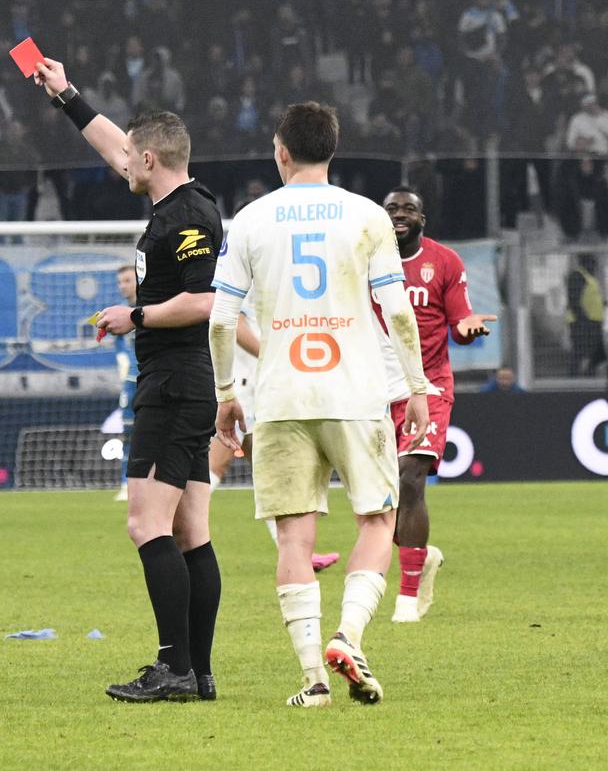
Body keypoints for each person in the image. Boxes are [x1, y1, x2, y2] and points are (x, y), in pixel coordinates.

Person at [209, 102, 430, 707]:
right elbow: (400, 311)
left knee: (293, 540)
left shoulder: (250, 220)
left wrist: (228, 393)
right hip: (356, 393)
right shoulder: (366, 216)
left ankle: (312, 680)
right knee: (379, 520)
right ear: (333, 150)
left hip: (280, 397)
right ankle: (349, 636)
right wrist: (415, 386)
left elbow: (223, 319)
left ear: (281, 151)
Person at [34, 57, 223, 704]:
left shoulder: (188, 215)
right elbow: (118, 146)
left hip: (172, 385)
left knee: (146, 526)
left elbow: (202, 302)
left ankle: (172, 668)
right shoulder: (173, 199)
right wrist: (67, 96)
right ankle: (196, 672)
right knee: (191, 530)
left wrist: (133, 314)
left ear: (152, 161)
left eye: (132, 159)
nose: (124, 166)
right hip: (183, 381)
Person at [380, 187, 496, 623]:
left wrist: (468, 329)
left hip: (428, 387)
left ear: (422, 219)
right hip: (376, 387)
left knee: (410, 478)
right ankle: (420, 555)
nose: (399, 214)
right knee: (375, 502)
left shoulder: (444, 262)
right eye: (392, 208)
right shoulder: (366, 261)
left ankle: (407, 599)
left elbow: (459, 324)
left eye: (408, 208)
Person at [205, 287, 341, 573]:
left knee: (266, 470)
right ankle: (181, 530)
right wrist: (275, 356)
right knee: (219, 459)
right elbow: (235, 324)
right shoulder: (246, 272)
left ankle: (294, 551)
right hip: (246, 384)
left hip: (259, 383)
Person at [112, 264, 138, 503]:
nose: (123, 286)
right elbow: (119, 343)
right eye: (120, 282)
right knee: (129, 434)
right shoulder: (121, 313)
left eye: (128, 280)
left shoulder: (153, 308)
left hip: (155, 378)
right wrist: (121, 359)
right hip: (132, 382)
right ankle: (126, 484)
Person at [566, 254, 606, 376]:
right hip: (582, 322)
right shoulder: (578, 276)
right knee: (580, 351)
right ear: (586, 263)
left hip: (593, 321)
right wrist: (583, 320)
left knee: (597, 352)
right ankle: (574, 376)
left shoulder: (588, 277)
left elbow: (592, 299)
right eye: (593, 263)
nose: (595, 266)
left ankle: (589, 374)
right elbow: (574, 300)